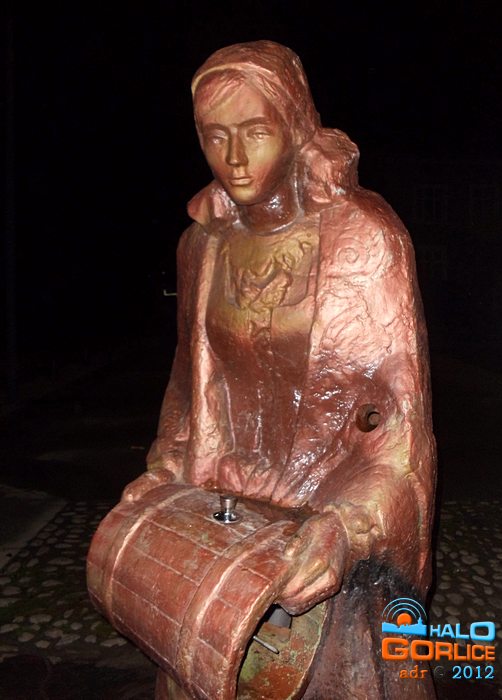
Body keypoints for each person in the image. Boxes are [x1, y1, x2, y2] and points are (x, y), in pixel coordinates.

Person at [124, 41, 436, 698]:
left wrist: (347, 528)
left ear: (294, 128)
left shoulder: (363, 236)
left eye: (255, 131)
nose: (234, 158)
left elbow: (397, 427)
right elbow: (189, 387)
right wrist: (163, 473)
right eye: (214, 137)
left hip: (317, 530)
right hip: (216, 532)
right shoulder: (201, 245)